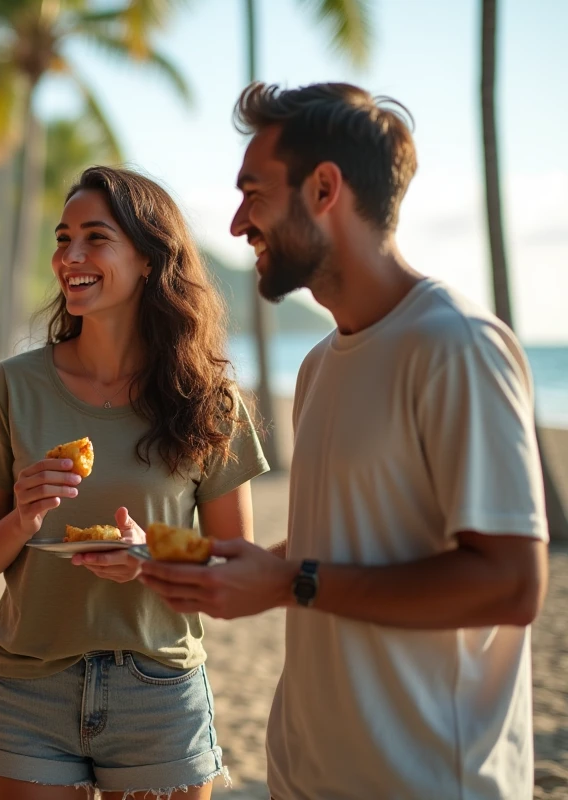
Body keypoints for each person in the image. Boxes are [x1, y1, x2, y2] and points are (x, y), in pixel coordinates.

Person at [139, 82, 549, 799]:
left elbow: (512, 584)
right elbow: (350, 548)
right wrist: (247, 567)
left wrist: (289, 581)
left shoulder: (455, 346)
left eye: (253, 192)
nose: (237, 223)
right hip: (312, 774)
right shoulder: (320, 365)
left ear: (324, 188)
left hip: (426, 781)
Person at [0, 166, 270, 799]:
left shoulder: (208, 400)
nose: (70, 256)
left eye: (95, 238)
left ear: (149, 259)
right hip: (29, 684)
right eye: (62, 237)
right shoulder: (12, 387)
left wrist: (149, 558)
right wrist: (21, 516)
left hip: (158, 687)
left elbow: (237, 568)